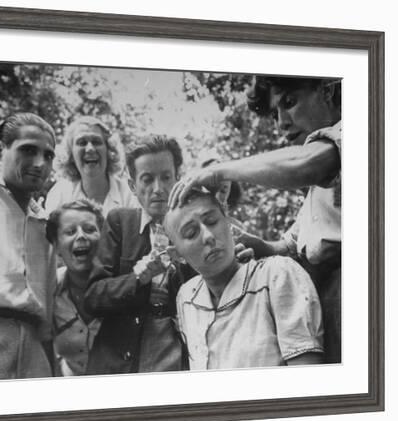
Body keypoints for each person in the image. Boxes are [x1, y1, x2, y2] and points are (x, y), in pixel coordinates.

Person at [169, 76, 342, 363]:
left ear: (327, 90)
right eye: (275, 113)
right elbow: (288, 246)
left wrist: (219, 171)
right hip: (327, 296)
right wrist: (254, 244)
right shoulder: (316, 194)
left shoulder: (358, 131)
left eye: (289, 103)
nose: (281, 123)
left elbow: (303, 165)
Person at [164, 189, 325, 370]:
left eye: (212, 222)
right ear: (177, 255)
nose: (208, 236)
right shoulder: (187, 297)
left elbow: (307, 378)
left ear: (230, 224)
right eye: (192, 232)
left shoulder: (276, 275)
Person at [84, 135, 195, 375]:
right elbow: (93, 297)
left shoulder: (195, 227)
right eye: (147, 179)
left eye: (166, 177)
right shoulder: (120, 222)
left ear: (178, 178)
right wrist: (137, 278)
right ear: (133, 186)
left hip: (176, 350)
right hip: (119, 354)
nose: (158, 189)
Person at [0, 112, 58, 380]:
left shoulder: (46, 223)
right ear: (0, 149)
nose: (39, 163)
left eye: (48, 155)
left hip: (34, 347)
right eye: (28, 150)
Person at [46, 200, 104, 376]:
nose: (81, 236)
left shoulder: (123, 284)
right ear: (56, 246)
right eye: (70, 231)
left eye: (89, 229)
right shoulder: (49, 288)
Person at [45, 116, 137, 217]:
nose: (90, 148)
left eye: (96, 142)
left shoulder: (129, 194)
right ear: (70, 154)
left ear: (109, 150)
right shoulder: (60, 194)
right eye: (82, 143)